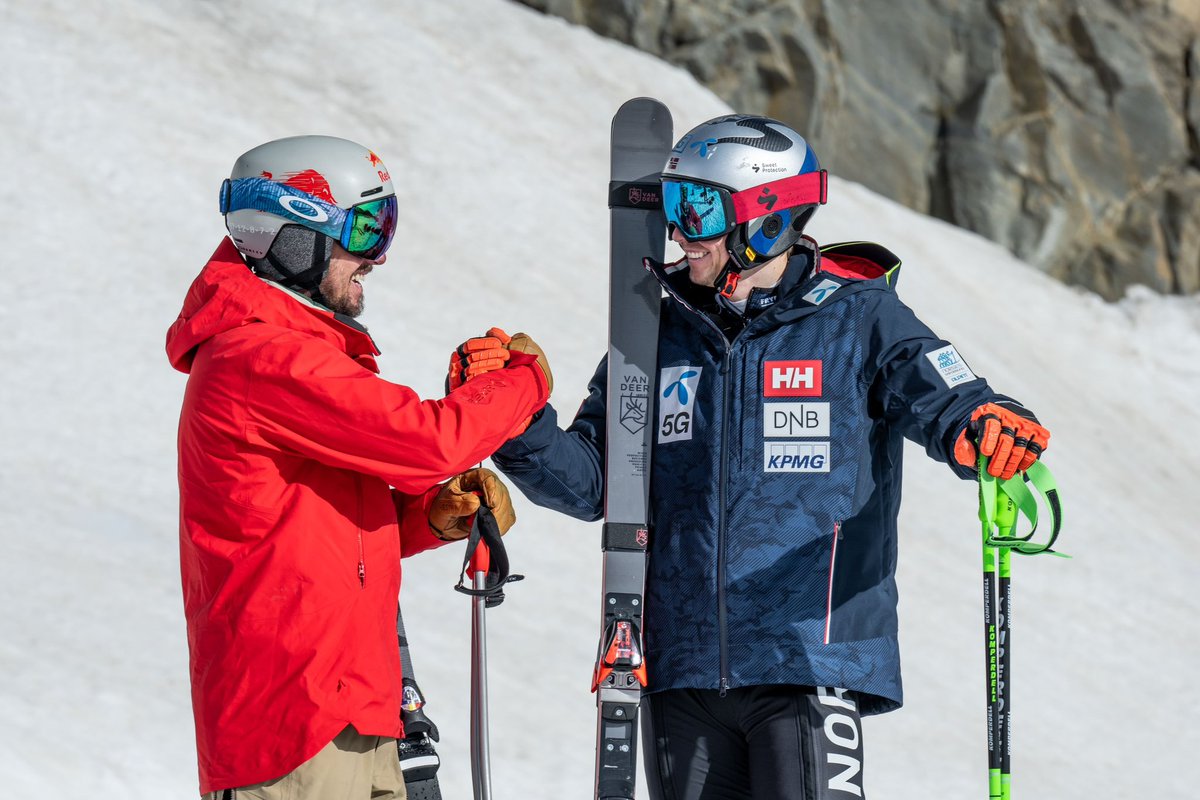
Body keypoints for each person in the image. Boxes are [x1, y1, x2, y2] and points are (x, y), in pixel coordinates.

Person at [449, 115, 1051, 799]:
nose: (677, 231)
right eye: (672, 207)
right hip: (677, 671)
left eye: (696, 208)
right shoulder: (657, 327)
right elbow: (594, 483)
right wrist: (514, 419)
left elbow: (946, 396)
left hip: (807, 659)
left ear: (765, 217)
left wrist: (989, 426)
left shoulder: (858, 318)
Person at [165, 135, 553, 800]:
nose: (377, 256)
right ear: (291, 237)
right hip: (292, 727)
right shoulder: (259, 357)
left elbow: (327, 531)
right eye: (366, 230)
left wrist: (428, 516)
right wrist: (523, 383)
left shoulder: (294, 353)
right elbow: (428, 441)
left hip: (351, 711)